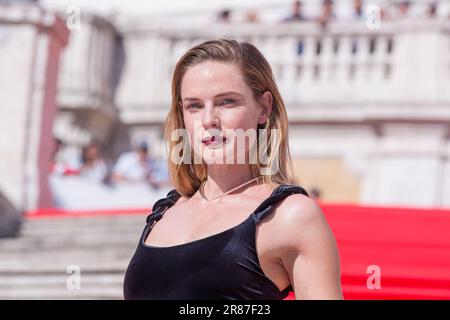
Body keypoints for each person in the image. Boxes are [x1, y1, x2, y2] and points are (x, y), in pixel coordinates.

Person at [123, 39, 342, 300]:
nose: (208, 120)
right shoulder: (164, 212)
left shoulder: (290, 215)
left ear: (264, 107)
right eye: (194, 105)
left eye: (227, 101)